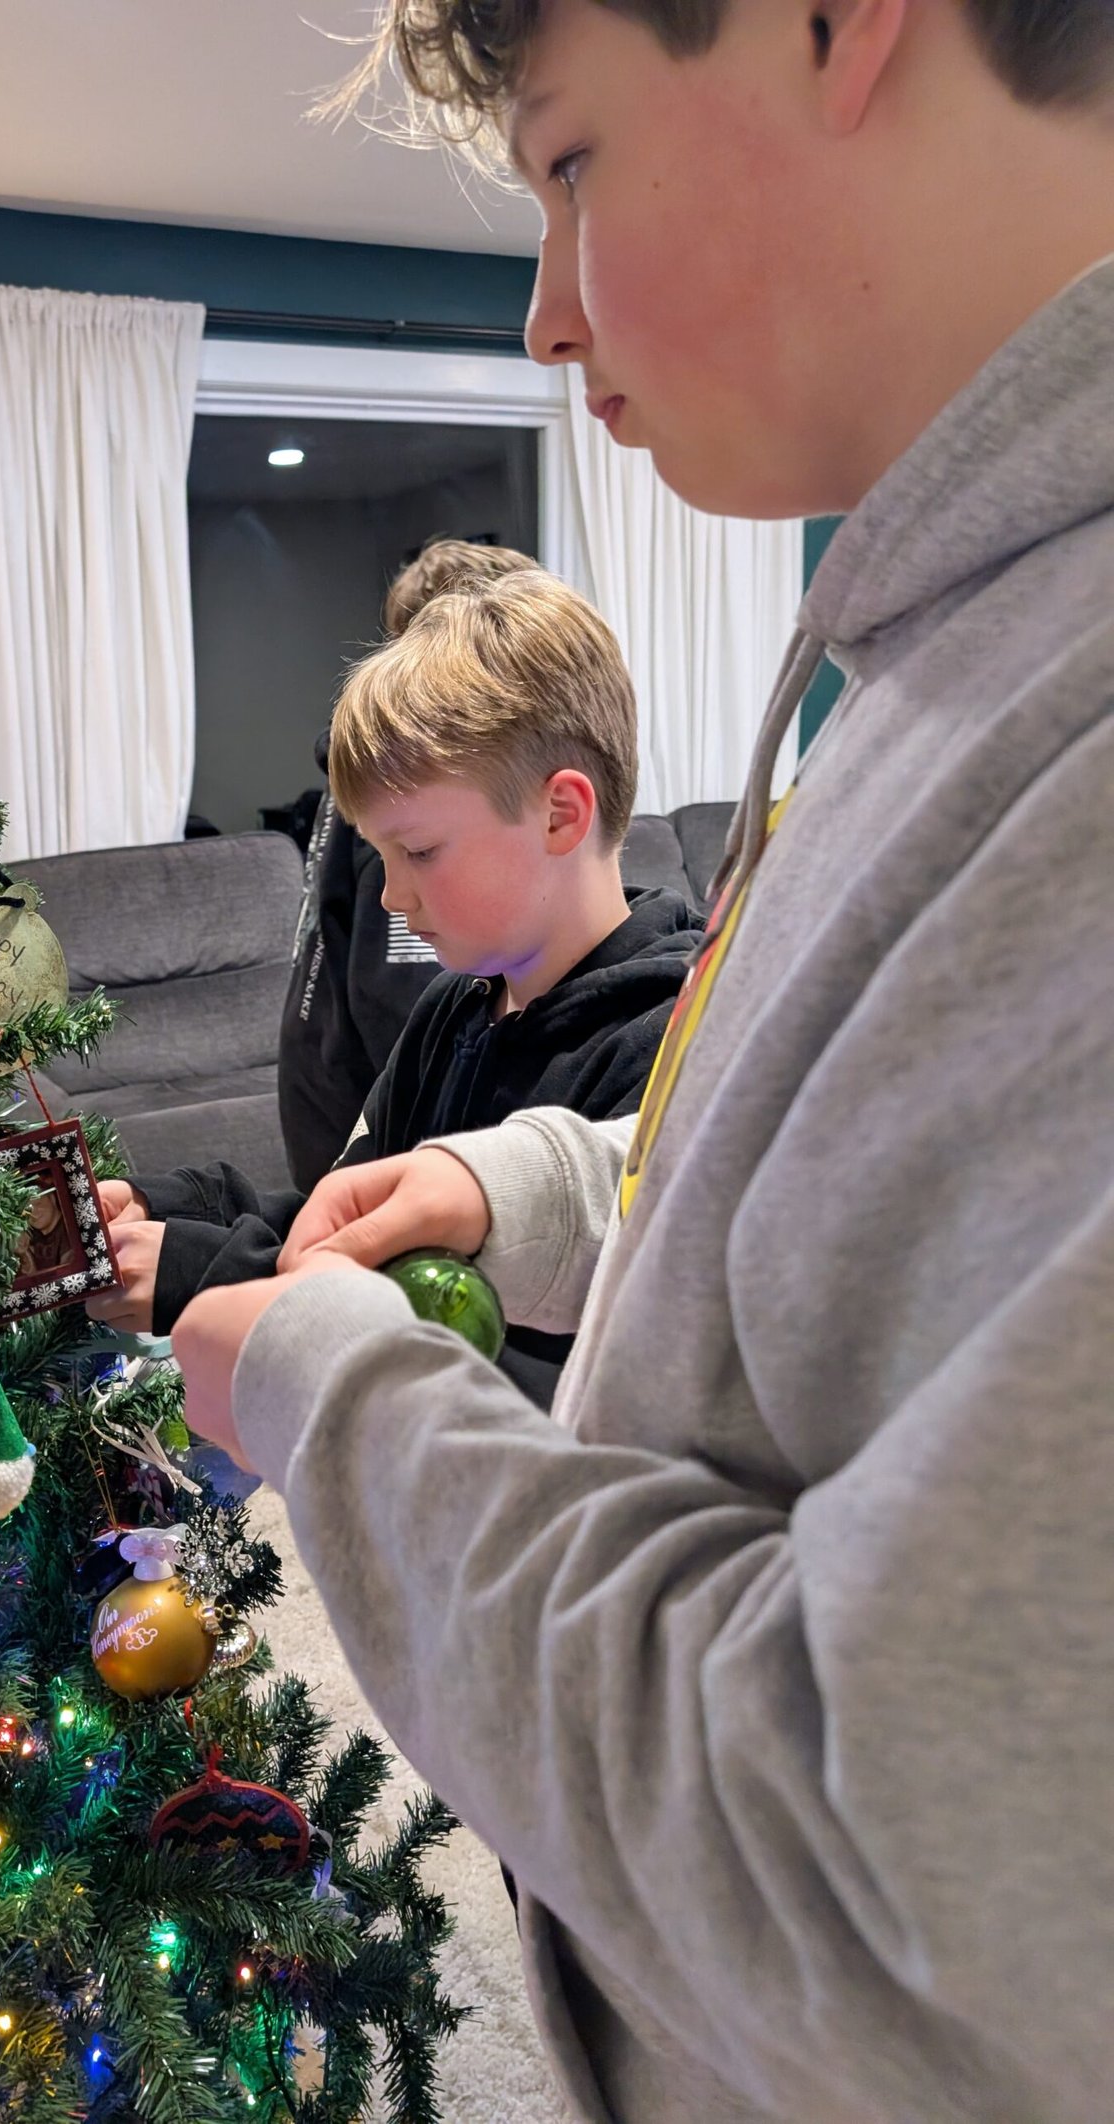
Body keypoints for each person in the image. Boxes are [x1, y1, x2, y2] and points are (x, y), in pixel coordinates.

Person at [168, 5, 1114, 2122]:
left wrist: (334, 1394)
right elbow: (875, 1186)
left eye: (571, 164)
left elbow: (903, 1926)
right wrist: (529, 1191)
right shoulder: (947, 663)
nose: (536, 319)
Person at [87, 568, 702, 1408]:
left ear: (562, 815)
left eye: (418, 852)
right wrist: (174, 1207)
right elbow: (349, 1220)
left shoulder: (665, 1046)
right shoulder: (455, 1007)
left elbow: (510, 1370)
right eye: (381, 856)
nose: (390, 896)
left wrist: (207, 1274)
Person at [280, 536, 538, 1188]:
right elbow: (401, 996)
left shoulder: (363, 785)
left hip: (324, 1078)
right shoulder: (404, 807)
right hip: (365, 1118)